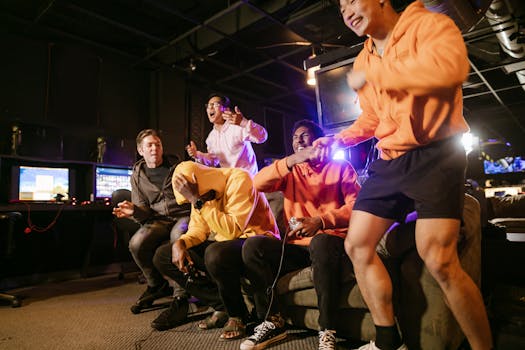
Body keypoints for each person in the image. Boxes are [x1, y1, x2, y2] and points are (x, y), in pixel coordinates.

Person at [312, 1, 493, 349]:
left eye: (352, 0)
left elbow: (450, 70)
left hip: (437, 153)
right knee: (356, 243)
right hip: (390, 159)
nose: (346, 10)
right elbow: (371, 118)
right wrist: (339, 138)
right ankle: (386, 340)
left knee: (438, 258)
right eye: (340, 7)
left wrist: (381, 75)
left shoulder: (429, 25)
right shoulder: (364, 58)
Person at [238, 119, 360, 350]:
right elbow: (258, 183)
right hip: (297, 247)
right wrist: (291, 161)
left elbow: (357, 206)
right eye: (295, 137)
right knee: (253, 247)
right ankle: (273, 321)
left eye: (305, 136)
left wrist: (322, 221)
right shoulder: (290, 171)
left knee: (322, 242)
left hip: (328, 243)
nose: (299, 140)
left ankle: (327, 329)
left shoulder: (341, 167)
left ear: (319, 141)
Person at [151, 161, 280, 334]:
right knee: (163, 255)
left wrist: (197, 200)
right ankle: (222, 304)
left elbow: (233, 229)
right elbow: (198, 230)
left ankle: (237, 315)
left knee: (215, 252)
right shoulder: (200, 195)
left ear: (204, 180)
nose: (201, 201)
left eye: (199, 197)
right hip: (225, 248)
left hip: (255, 244)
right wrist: (180, 243)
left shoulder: (240, 178)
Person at [113, 129, 190, 313]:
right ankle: (156, 284)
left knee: (177, 238)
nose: (154, 148)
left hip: (182, 215)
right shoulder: (137, 176)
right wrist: (134, 211)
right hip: (158, 219)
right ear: (141, 150)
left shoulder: (178, 167)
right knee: (136, 243)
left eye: (158, 144)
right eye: (150, 145)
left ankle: (181, 293)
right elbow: (144, 213)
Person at [185, 93, 267, 176]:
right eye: (208, 105)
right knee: (187, 169)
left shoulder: (237, 126)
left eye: (215, 104)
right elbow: (213, 160)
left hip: (246, 178)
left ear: (226, 110)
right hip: (228, 180)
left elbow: (262, 137)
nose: (210, 107)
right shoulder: (211, 138)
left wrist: (243, 122)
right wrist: (197, 155)